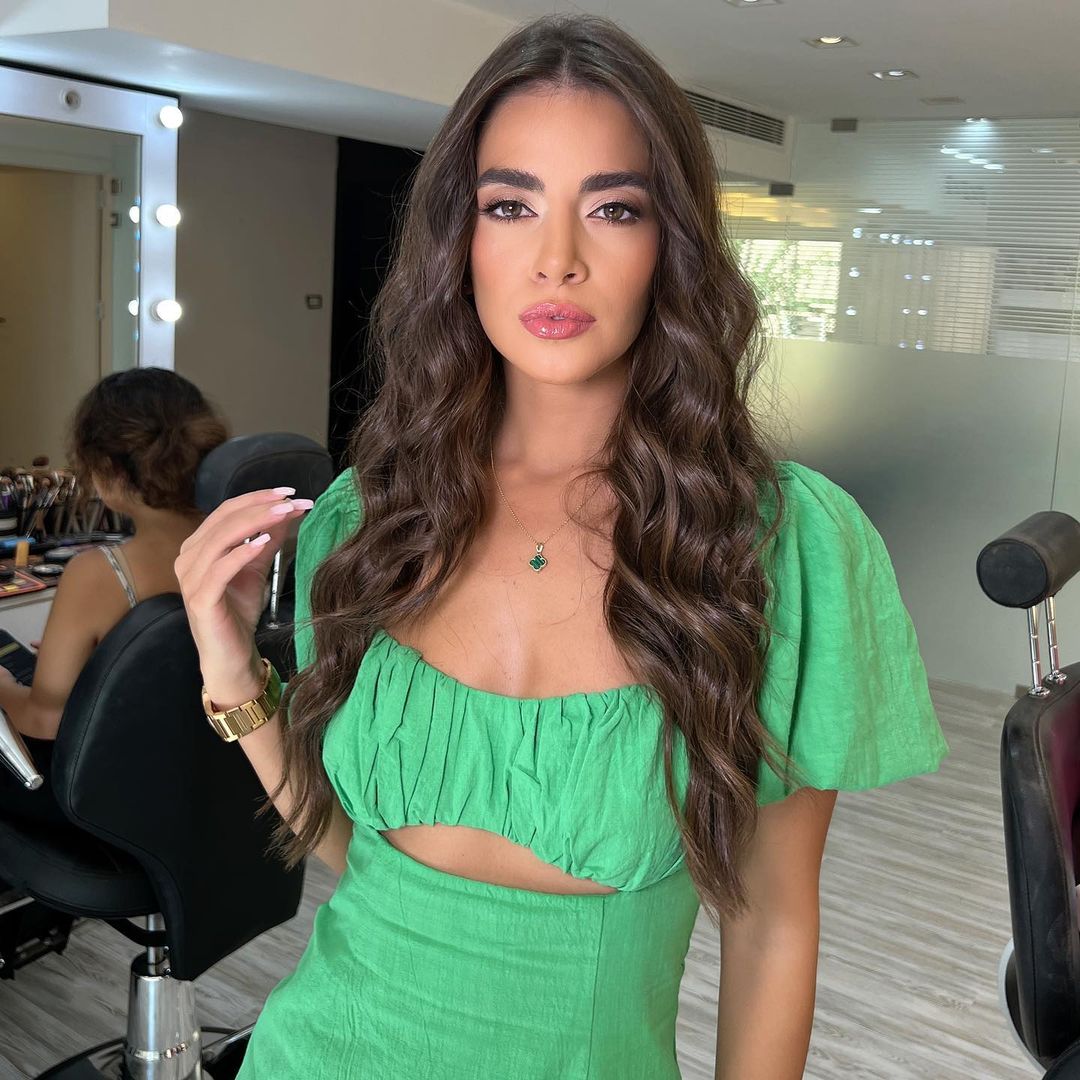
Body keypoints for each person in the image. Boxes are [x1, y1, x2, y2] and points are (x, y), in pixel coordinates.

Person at [175, 13, 949, 1079]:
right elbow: (364, 857)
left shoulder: (779, 545)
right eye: (511, 205)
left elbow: (773, 925)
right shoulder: (369, 516)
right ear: (462, 239)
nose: (557, 261)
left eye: (614, 209)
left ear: (671, 246)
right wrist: (231, 673)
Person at [0, 368, 228, 826]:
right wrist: (106, 666)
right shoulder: (245, 548)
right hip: (203, 785)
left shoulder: (100, 573)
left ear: (105, 471)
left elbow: (44, 720)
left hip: (106, 799)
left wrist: (3, 687)